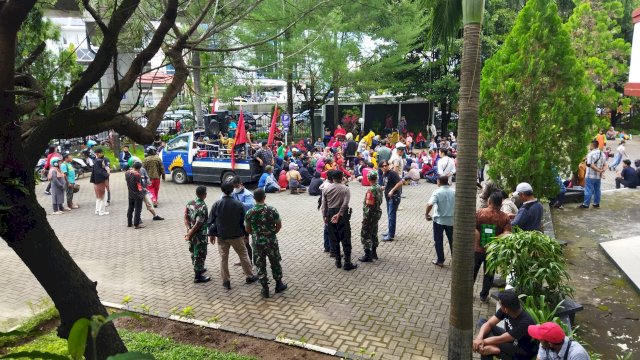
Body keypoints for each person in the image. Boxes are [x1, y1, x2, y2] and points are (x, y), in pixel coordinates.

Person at [207, 181, 258, 290]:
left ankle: (226, 281)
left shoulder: (217, 204)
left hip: (221, 236)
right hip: (237, 235)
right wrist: (246, 234)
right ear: (232, 190)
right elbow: (244, 221)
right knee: (244, 255)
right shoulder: (239, 204)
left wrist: (211, 234)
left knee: (223, 259)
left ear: (222, 190)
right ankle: (249, 276)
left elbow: (210, 221)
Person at [245, 188, 287, 298]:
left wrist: (255, 234)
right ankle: (279, 284)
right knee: (275, 261)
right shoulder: (272, 210)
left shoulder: (249, 212)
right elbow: (278, 225)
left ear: (254, 199)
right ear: (265, 197)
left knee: (260, 264)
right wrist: (271, 233)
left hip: (257, 242)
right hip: (271, 241)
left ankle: (265, 288)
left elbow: (247, 229)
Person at [473, 291, 538, 360]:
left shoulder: (525, 322)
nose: (500, 306)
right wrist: (479, 338)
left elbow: (500, 339)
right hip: (509, 338)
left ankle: (496, 350)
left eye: (500, 304)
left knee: (486, 346)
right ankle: (495, 349)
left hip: (522, 351)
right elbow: (489, 324)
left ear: (506, 309)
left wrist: (481, 342)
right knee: (482, 322)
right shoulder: (508, 309)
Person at [475, 192, 512, 302]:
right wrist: (494, 240)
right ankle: (483, 295)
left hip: (477, 249)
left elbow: (473, 228)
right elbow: (507, 233)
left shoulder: (479, 213)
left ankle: (468, 293)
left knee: (472, 271)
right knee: (489, 274)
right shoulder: (504, 217)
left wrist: (478, 238)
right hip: (493, 251)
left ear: (489, 201)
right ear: (500, 203)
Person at [322, 171, 357, 270]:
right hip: (342, 215)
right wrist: (339, 214)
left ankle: (338, 261)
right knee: (345, 238)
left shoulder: (326, 188)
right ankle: (347, 262)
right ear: (342, 178)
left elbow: (324, 205)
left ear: (332, 179)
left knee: (334, 238)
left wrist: (324, 216)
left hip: (330, 213)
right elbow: (345, 203)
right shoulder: (345, 189)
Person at [425, 175, 455, 266]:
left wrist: (426, 214)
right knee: (452, 240)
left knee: (438, 240)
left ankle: (440, 260)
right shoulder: (454, 191)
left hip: (439, 220)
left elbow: (430, 204)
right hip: (451, 220)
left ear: (439, 181)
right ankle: (456, 259)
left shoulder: (437, 192)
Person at [184, 186, 211, 283]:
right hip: (199, 235)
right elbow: (199, 224)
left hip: (191, 233)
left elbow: (185, 217)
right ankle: (198, 276)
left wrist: (188, 230)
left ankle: (199, 268)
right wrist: (190, 233)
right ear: (205, 195)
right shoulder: (203, 206)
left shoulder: (190, 203)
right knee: (200, 254)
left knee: (193, 251)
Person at [358, 171, 383, 262]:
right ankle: (374, 253)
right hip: (377, 213)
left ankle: (368, 254)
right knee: (374, 232)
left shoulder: (371, 189)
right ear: (376, 178)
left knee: (365, 233)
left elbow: (369, 205)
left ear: (368, 179)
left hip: (371, 214)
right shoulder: (379, 187)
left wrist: (365, 218)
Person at [230, 176, 255, 265]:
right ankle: (242, 260)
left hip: (245, 222)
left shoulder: (247, 194)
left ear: (241, 184)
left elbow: (251, 205)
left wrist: (237, 203)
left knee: (245, 242)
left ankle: (249, 262)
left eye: (236, 186)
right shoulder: (233, 192)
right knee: (239, 244)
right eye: (233, 186)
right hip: (236, 221)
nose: (235, 188)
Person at [135, 157, 164, 221]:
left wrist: (148, 181)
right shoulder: (131, 173)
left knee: (149, 204)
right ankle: (137, 219)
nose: (140, 169)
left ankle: (155, 216)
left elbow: (146, 176)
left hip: (144, 190)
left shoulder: (142, 170)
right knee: (137, 206)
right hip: (137, 192)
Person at [579, 140, 606, 209]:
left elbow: (591, 165)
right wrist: (602, 171)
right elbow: (605, 165)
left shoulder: (591, 154)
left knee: (588, 190)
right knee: (597, 190)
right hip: (598, 177)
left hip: (590, 176)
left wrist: (599, 171)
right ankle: (596, 203)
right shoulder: (602, 154)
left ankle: (586, 204)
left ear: (592, 145)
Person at [381, 159, 403, 242]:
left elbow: (400, 183)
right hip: (388, 198)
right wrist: (383, 188)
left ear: (388, 165)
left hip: (394, 197)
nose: (384, 167)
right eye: (382, 166)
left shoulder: (392, 173)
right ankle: (389, 232)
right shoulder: (384, 174)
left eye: (385, 165)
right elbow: (386, 184)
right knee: (389, 215)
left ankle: (391, 235)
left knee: (391, 216)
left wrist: (392, 190)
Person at [125, 161, 145, 229]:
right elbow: (139, 186)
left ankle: (129, 223)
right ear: (139, 168)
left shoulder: (127, 172)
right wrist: (143, 191)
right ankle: (137, 224)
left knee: (130, 208)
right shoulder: (137, 175)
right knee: (138, 209)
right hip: (137, 195)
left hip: (130, 193)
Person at [89, 148, 109, 216]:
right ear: (98, 153)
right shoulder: (99, 161)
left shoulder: (95, 161)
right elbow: (101, 172)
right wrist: (107, 173)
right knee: (103, 197)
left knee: (98, 197)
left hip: (96, 182)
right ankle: (101, 211)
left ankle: (97, 210)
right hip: (100, 182)